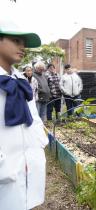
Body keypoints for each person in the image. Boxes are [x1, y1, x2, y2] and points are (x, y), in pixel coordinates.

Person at [0, 21, 48, 210]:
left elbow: (33, 116)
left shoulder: (20, 79)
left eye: (24, 42)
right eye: (16, 40)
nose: (23, 47)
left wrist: (39, 145)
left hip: (27, 164)